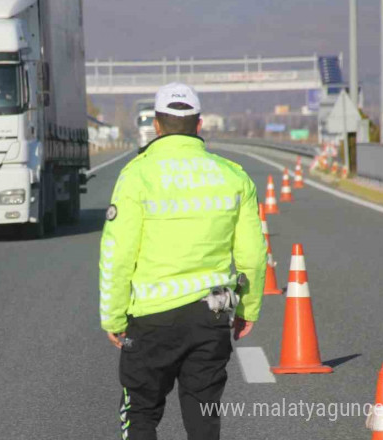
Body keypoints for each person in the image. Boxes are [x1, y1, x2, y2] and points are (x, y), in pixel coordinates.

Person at [98, 82, 267, 440]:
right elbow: (252, 254)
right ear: (199, 124)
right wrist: (248, 309)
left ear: (157, 125)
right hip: (211, 316)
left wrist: (113, 316)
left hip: (150, 319)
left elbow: (116, 254)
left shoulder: (136, 175)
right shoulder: (233, 176)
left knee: (141, 412)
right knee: (203, 415)